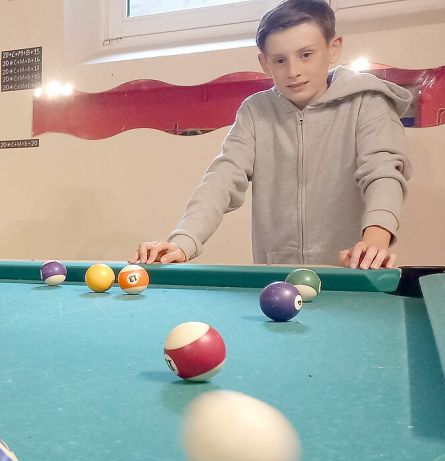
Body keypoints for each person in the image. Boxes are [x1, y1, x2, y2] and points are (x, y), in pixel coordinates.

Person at [132, 0, 412, 270]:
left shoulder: (368, 101)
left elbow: (382, 172)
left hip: (350, 271)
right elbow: (221, 179)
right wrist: (183, 241)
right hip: (278, 279)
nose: (293, 71)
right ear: (265, 63)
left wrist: (375, 240)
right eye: (280, 60)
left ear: (333, 48)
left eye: (306, 54)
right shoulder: (255, 112)